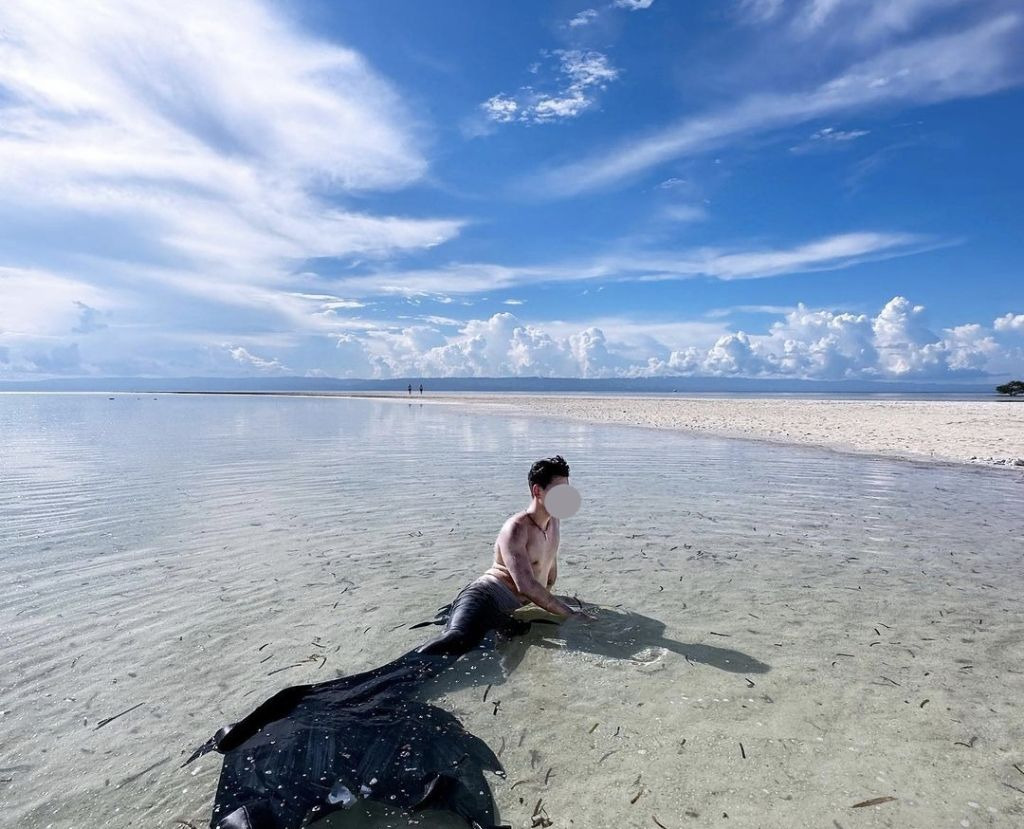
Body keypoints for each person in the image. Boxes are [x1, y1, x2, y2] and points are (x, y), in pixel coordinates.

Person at [416, 455, 594, 656]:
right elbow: (525, 585)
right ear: (537, 491)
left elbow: (547, 566)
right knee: (455, 639)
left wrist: (559, 604)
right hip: (486, 597)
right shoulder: (516, 529)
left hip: (513, 607)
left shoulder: (554, 522)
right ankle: (381, 681)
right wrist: (570, 614)